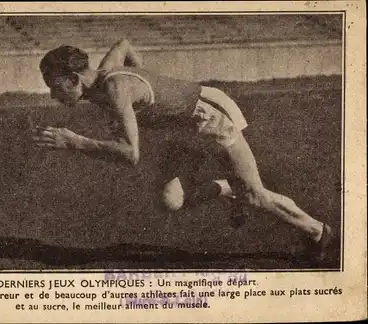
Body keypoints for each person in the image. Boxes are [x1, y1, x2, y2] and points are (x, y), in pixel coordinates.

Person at [33, 39, 333, 263]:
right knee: (170, 200)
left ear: (73, 79)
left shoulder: (115, 89)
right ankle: (231, 187)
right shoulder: (103, 76)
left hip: (210, 115)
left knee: (257, 195)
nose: (52, 94)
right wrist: (154, 94)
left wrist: (75, 142)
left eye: (53, 86)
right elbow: (123, 44)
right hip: (183, 128)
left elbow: (130, 154)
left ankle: (318, 231)